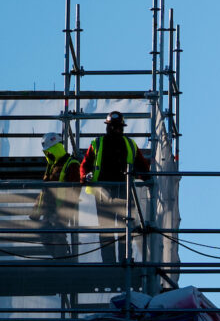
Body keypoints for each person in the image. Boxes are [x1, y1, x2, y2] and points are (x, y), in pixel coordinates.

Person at [78, 111, 149, 263]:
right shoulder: (97, 144)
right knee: (107, 230)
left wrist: (145, 176)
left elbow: (143, 167)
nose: (116, 130)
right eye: (114, 127)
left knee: (125, 228)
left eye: (118, 127)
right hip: (103, 193)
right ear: (108, 127)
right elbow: (85, 165)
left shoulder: (130, 145)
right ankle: (109, 263)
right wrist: (84, 177)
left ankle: (124, 261)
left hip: (124, 192)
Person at [28, 132, 80, 260]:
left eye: (49, 151)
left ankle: (62, 263)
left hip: (62, 209)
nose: (48, 154)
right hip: (49, 209)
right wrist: (36, 211)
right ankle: (61, 260)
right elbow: (44, 191)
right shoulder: (52, 166)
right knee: (44, 234)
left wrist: (63, 211)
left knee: (58, 236)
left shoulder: (71, 164)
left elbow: (75, 191)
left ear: (55, 148)